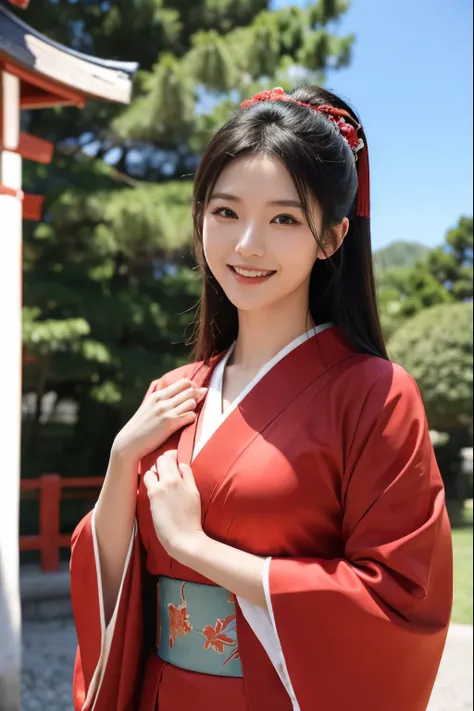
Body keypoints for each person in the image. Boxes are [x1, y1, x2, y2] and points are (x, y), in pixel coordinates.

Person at [70, 85, 453, 711]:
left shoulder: (377, 395)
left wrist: (198, 549)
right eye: (225, 212)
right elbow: (113, 581)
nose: (247, 244)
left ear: (330, 239)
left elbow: (395, 600)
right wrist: (120, 462)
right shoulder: (173, 393)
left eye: (282, 218)